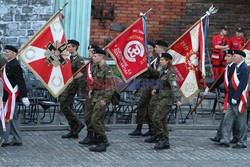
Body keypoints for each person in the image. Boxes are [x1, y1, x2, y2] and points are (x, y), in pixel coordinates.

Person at [146, 53, 182, 150]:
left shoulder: (171, 73)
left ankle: (161, 137)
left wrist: (178, 99)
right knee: (162, 119)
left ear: (167, 61)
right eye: (160, 60)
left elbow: (174, 86)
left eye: (162, 60)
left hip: (167, 99)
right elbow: (160, 82)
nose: (160, 61)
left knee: (156, 117)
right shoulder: (163, 71)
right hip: (160, 97)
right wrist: (155, 89)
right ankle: (165, 140)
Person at [216, 50, 249, 148]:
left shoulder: (244, 68)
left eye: (235, 56)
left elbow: (242, 85)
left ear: (241, 58)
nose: (233, 57)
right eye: (233, 56)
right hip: (231, 99)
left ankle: (242, 142)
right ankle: (225, 140)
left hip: (239, 100)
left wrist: (236, 97)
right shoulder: (236, 67)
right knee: (227, 120)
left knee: (241, 123)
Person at [204, 50, 238, 143]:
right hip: (228, 95)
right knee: (231, 117)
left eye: (228, 56)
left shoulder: (235, 68)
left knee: (227, 117)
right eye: (225, 56)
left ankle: (221, 136)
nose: (225, 58)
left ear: (233, 57)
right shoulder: (228, 68)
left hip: (233, 95)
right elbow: (219, 80)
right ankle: (233, 137)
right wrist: (209, 88)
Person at [0, 45, 30, 147]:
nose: (5, 53)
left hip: (12, 96)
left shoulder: (16, 65)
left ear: (13, 53)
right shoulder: (8, 64)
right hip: (7, 96)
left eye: (7, 52)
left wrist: (24, 96)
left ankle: (4, 139)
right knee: (12, 118)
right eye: (5, 52)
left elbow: (20, 81)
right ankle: (17, 139)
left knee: (7, 117)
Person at [87, 48, 114, 152]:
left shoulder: (107, 69)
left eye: (95, 56)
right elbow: (95, 82)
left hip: (102, 98)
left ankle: (104, 141)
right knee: (95, 120)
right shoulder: (97, 68)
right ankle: (100, 141)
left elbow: (110, 86)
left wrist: (105, 99)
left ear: (101, 56)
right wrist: (90, 90)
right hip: (95, 97)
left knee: (95, 120)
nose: (93, 58)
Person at [128, 41, 156, 137]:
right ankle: (139, 128)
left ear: (153, 49)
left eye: (149, 48)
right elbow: (141, 75)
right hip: (144, 85)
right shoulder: (144, 60)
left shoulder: (155, 61)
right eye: (146, 48)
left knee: (146, 107)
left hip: (151, 85)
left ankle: (151, 128)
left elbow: (156, 75)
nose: (147, 50)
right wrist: (136, 87)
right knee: (141, 107)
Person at [60, 40, 85, 139]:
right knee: (69, 106)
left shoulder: (79, 59)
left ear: (75, 47)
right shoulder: (68, 58)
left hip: (72, 86)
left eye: (70, 46)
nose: (68, 48)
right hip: (66, 85)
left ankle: (78, 123)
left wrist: (71, 79)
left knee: (64, 104)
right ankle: (74, 129)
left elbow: (81, 72)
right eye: (68, 46)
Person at [79, 44, 100, 145]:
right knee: (87, 116)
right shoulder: (88, 64)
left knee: (95, 116)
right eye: (89, 51)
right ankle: (90, 135)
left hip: (97, 93)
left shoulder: (99, 65)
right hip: (89, 93)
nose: (90, 53)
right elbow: (81, 73)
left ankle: (98, 136)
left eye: (92, 52)